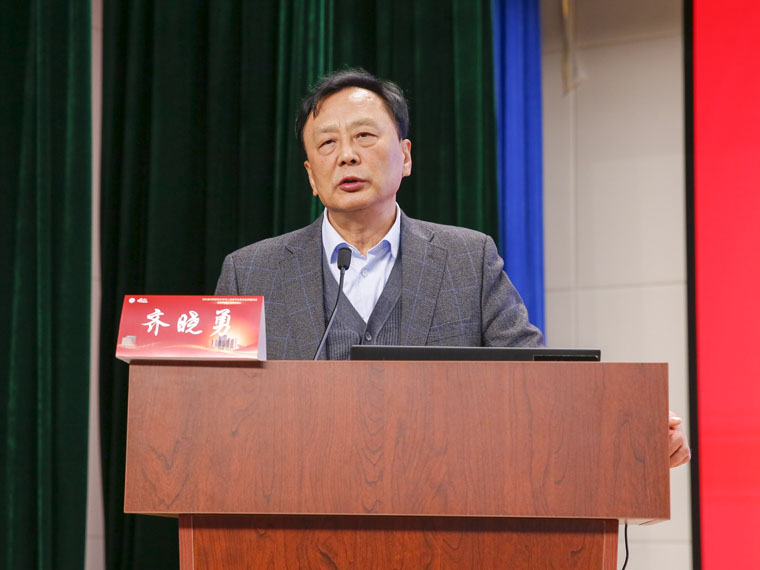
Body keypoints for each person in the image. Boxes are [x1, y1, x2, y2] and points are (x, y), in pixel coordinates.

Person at [215, 68, 690, 468]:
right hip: (298, 512)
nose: (347, 155)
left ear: (405, 156)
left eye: (364, 136)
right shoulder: (251, 273)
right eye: (327, 144)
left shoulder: (468, 258)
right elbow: (216, 411)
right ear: (311, 177)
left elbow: (539, 382)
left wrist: (632, 429)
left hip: (443, 512)